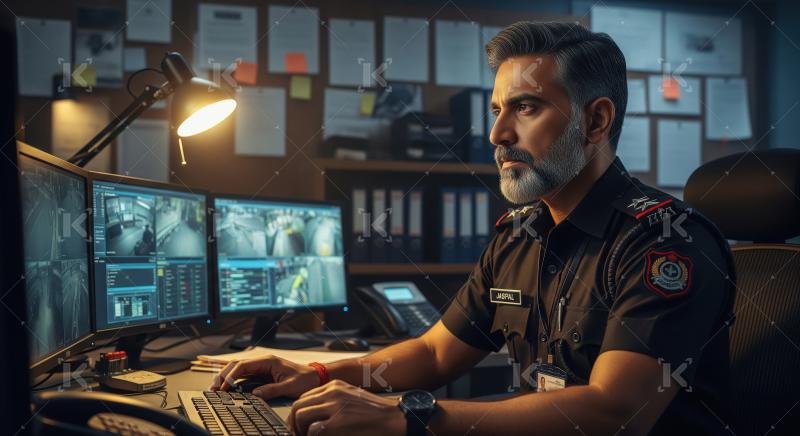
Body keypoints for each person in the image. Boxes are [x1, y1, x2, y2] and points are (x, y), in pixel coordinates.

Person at [210, 21, 735, 436]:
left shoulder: (663, 240)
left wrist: (411, 419)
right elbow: (434, 352)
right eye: (496, 110)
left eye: (525, 108)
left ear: (595, 121)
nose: (498, 133)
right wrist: (321, 375)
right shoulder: (518, 234)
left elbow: (613, 412)